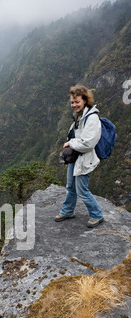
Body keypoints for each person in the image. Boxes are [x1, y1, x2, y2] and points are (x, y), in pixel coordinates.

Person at [55, 84, 104, 228]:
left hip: (85, 159)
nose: (74, 105)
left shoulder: (92, 118)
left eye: (77, 102)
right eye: (72, 102)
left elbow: (88, 143)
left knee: (82, 190)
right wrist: (72, 143)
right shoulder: (79, 116)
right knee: (70, 186)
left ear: (85, 101)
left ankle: (97, 215)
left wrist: (71, 143)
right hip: (76, 158)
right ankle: (68, 211)